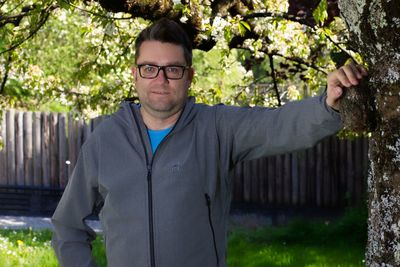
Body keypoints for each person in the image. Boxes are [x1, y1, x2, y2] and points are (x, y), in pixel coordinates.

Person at [51, 18, 368, 267]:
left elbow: (279, 125)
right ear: (135, 74)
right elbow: (67, 225)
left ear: (189, 76)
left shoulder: (217, 129)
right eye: (150, 69)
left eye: (172, 70)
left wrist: (327, 104)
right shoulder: (105, 140)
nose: (160, 80)